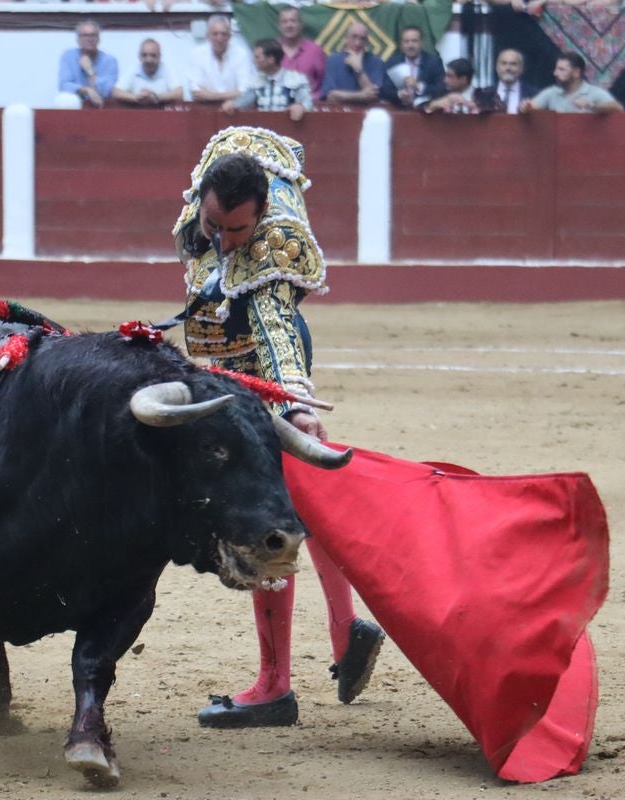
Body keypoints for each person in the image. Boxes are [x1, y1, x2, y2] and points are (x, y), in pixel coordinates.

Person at [172, 127, 385, 728]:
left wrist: (295, 403)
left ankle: (274, 685)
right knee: (303, 498)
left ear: (261, 215)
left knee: (271, 514)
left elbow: (275, 330)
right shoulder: (206, 206)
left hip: (263, 363)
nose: (226, 240)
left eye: (238, 230)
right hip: (227, 355)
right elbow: (201, 250)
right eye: (217, 226)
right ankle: (345, 631)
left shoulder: (272, 249)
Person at [223, 39, 313, 121]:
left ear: (271, 59)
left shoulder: (295, 79)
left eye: (258, 57)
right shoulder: (256, 81)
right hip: (264, 132)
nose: (254, 61)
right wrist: (234, 104)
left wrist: (301, 107)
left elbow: (307, 102)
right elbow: (245, 100)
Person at [520, 52, 622, 114]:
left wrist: (591, 106)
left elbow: (618, 108)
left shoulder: (594, 92)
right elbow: (532, 107)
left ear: (576, 72)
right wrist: (527, 107)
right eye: (556, 69)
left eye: (561, 70)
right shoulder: (551, 92)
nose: (555, 73)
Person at [188, 15, 254, 105]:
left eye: (224, 34)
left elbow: (245, 90)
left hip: (233, 109)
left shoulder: (241, 55)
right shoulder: (197, 54)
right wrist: (229, 95)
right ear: (208, 36)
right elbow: (195, 91)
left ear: (230, 36)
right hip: (204, 109)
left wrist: (211, 96)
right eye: (215, 34)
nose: (219, 39)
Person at [379, 26, 445, 110]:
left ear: (422, 43)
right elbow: (384, 90)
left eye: (414, 41)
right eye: (406, 42)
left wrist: (419, 86)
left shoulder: (434, 63)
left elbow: (442, 89)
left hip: (427, 114)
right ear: (401, 44)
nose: (410, 45)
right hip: (399, 112)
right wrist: (399, 94)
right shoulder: (392, 62)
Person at [320, 22, 384, 106]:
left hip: (368, 114)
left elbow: (373, 96)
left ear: (367, 42)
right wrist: (361, 96)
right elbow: (330, 96)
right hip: (339, 113)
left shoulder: (376, 62)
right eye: (354, 37)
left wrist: (358, 69)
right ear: (346, 39)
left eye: (362, 39)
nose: (357, 43)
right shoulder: (333, 60)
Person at [58, 20, 118, 109]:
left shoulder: (110, 61)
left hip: (102, 106)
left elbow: (107, 91)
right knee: (64, 99)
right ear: (78, 39)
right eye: (85, 35)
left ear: (99, 39)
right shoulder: (68, 56)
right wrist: (87, 90)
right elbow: (63, 85)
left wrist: (90, 71)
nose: (89, 39)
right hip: (75, 106)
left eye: (93, 35)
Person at [113, 39, 183, 107]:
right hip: (137, 112)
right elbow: (116, 92)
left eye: (153, 55)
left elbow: (179, 93)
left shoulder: (166, 68)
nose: (148, 60)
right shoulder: (134, 68)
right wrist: (136, 97)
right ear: (139, 57)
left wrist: (157, 97)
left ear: (159, 57)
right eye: (144, 55)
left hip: (162, 113)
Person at [278, 6, 326, 99]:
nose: (289, 25)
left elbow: (323, 83)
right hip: (277, 107)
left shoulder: (315, 51)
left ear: (301, 24)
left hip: (309, 108)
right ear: (279, 26)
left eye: (293, 21)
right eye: (284, 22)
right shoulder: (272, 49)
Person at [422, 58, 500, 115]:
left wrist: (468, 104)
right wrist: (434, 104)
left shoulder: (485, 95)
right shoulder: (440, 94)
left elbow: (499, 110)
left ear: (463, 79)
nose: (445, 80)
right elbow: (418, 107)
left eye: (450, 76)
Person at [492, 48, 535, 114]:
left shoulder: (534, 95)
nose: (508, 68)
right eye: (504, 63)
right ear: (497, 67)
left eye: (513, 64)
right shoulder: (483, 95)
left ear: (522, 68)